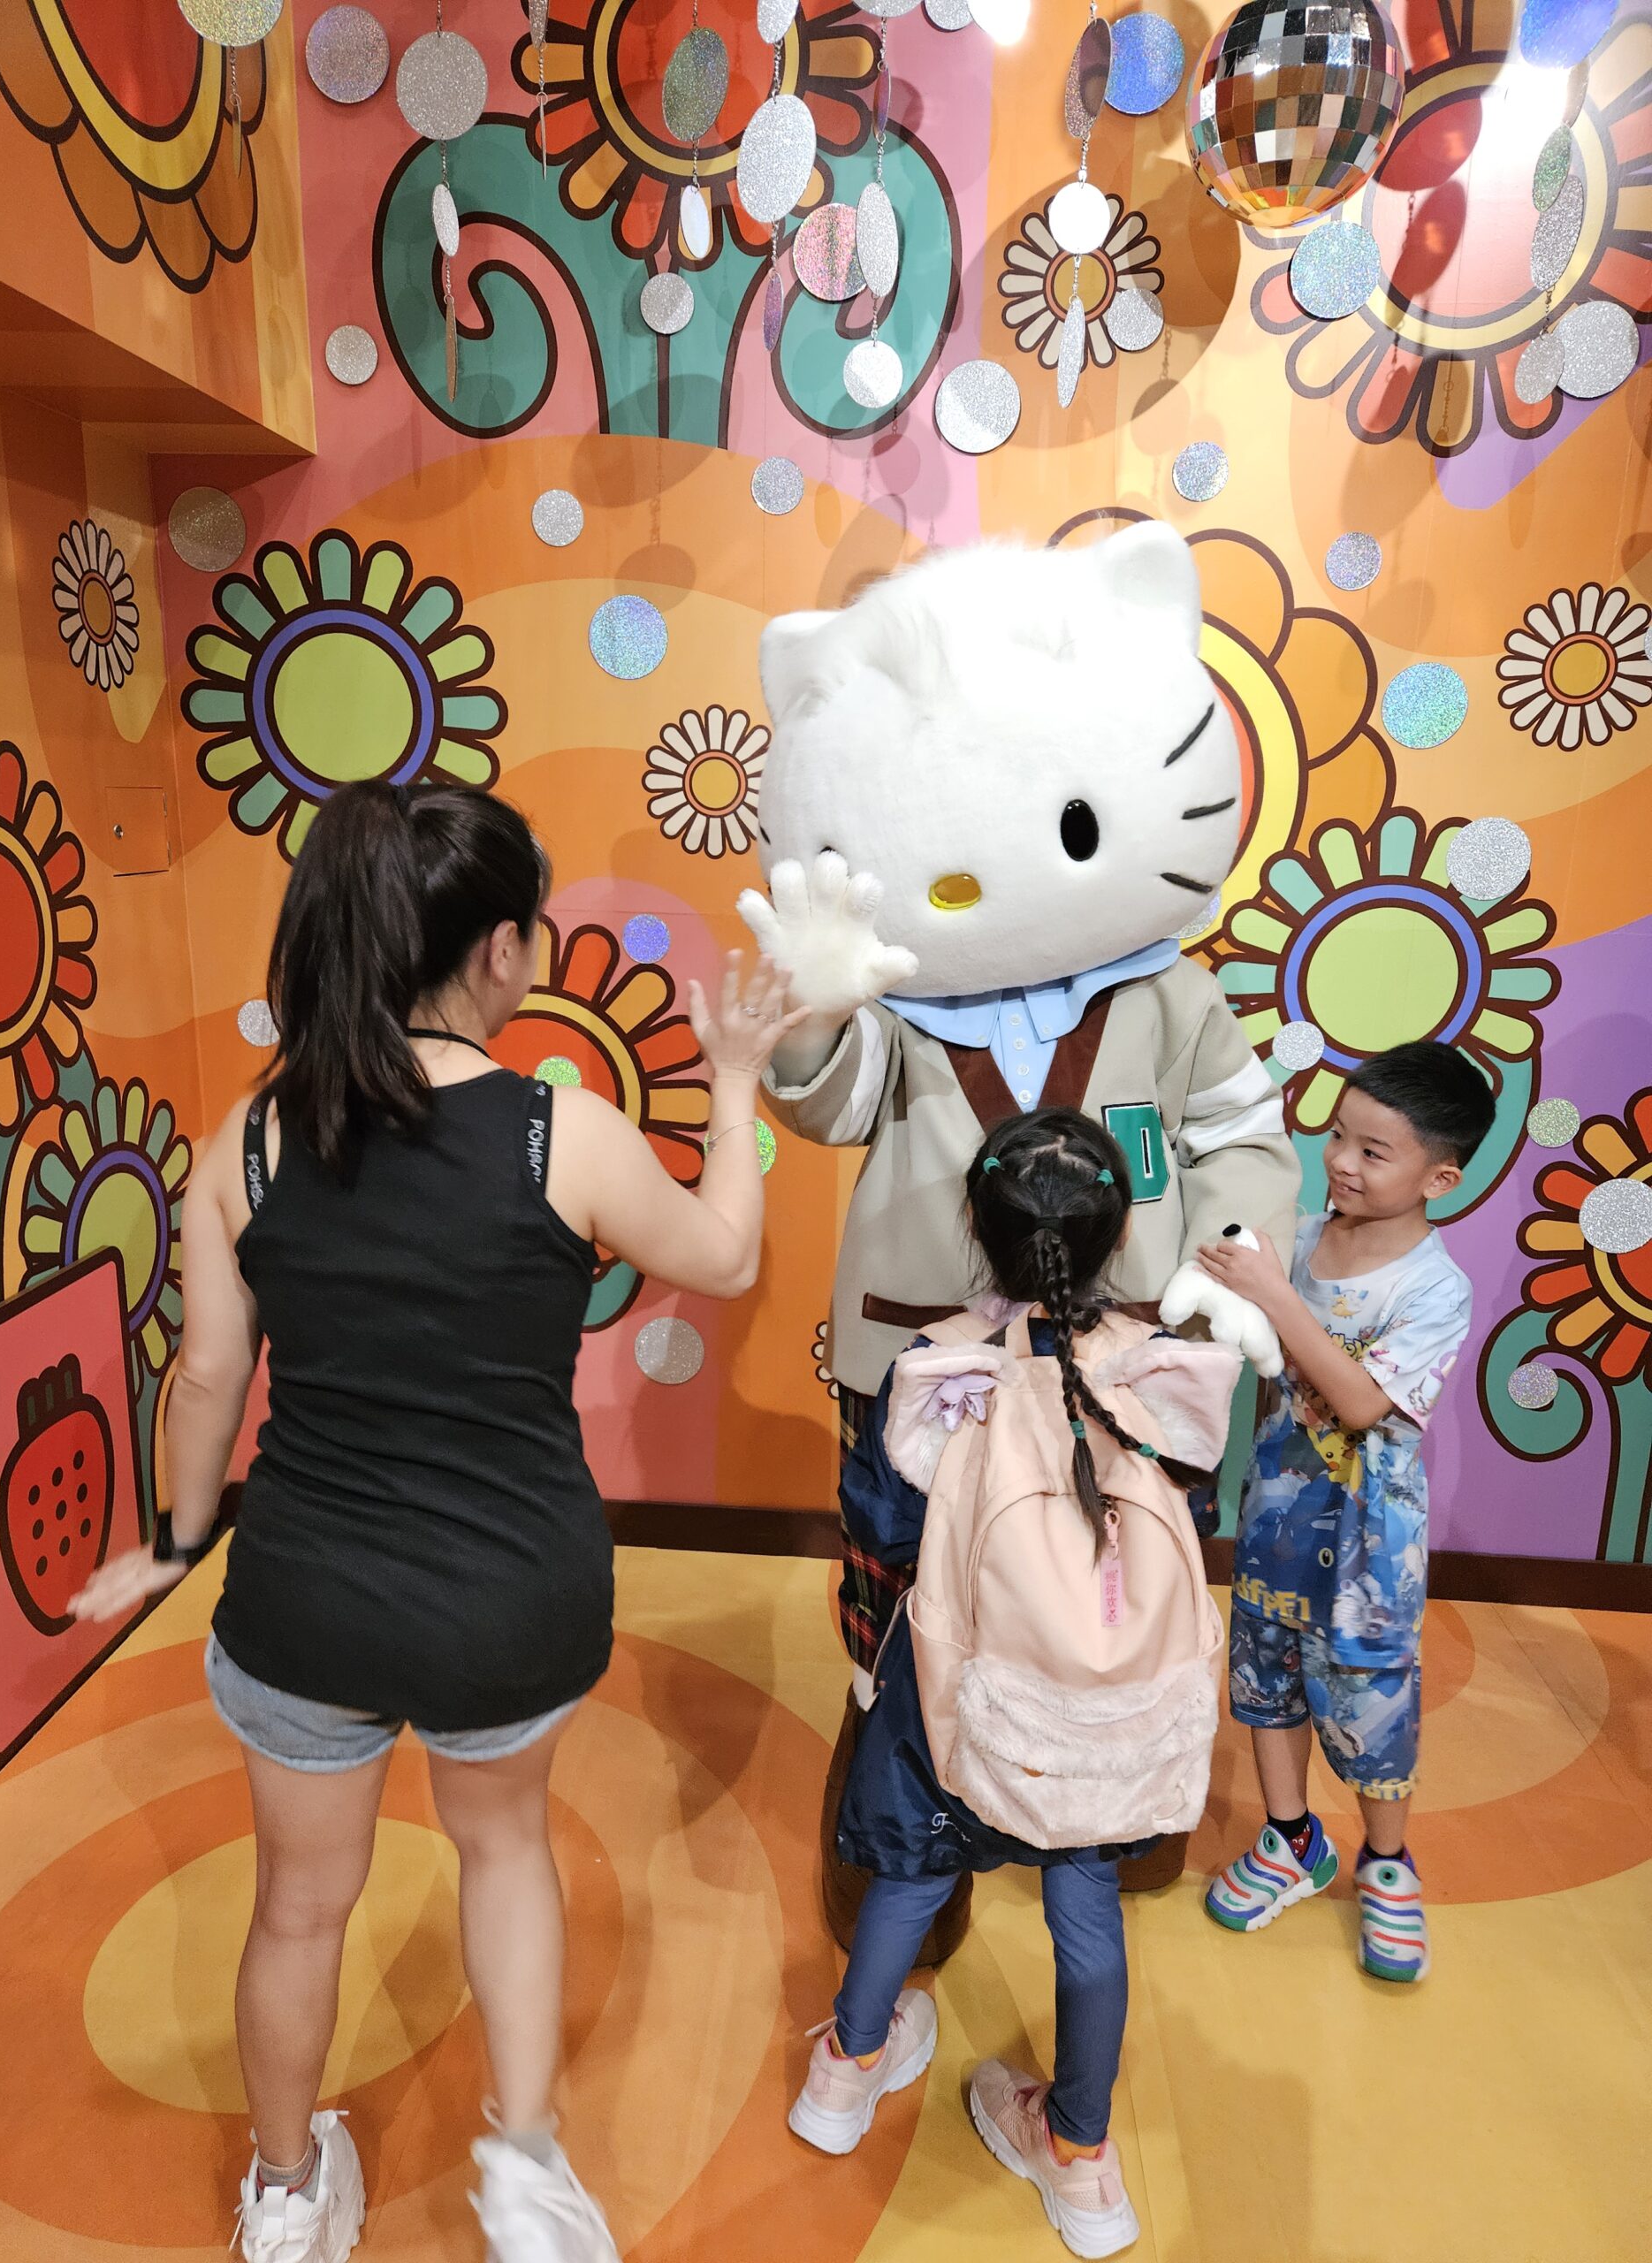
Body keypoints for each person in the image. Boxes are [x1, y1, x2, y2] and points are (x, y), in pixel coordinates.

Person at [72, 780, 803, 2263]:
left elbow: (206, 1377)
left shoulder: (249, 1142)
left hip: (306, 1598)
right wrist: (733, 1084)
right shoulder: (560, 1135)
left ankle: (286, 2196)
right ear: (499, 951)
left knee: (297, 1908)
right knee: (506, 1850)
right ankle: (526, 2173)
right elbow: (727, 1256)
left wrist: (177, 1537)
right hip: (510, 1599)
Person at [788, 1109, 1235, 2261]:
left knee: (908, 1879)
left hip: (960, 1692)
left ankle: (845, 2069)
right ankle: (1079, 2156)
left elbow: (885, 1525)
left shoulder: (943, 1365)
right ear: (1119, 1234)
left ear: (974, 1228)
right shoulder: (1161, 1366)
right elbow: (1195, 1496)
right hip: (1106, 1709)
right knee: (1087, 1915)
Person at [1195, 1040, 1494, 1983]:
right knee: (1266, 1681)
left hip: (1370, 1548)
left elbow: (1362, 1404)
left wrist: (1274, 1295)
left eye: (1374, 1151)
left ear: (1439, 1177)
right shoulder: (1297, 1237)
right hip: (1276, 1516)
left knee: (1370, 1702)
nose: (1341, 1162)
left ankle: (1387, 1864)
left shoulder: (1436, 1288)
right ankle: (1290, 1838)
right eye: (1336, 1136)